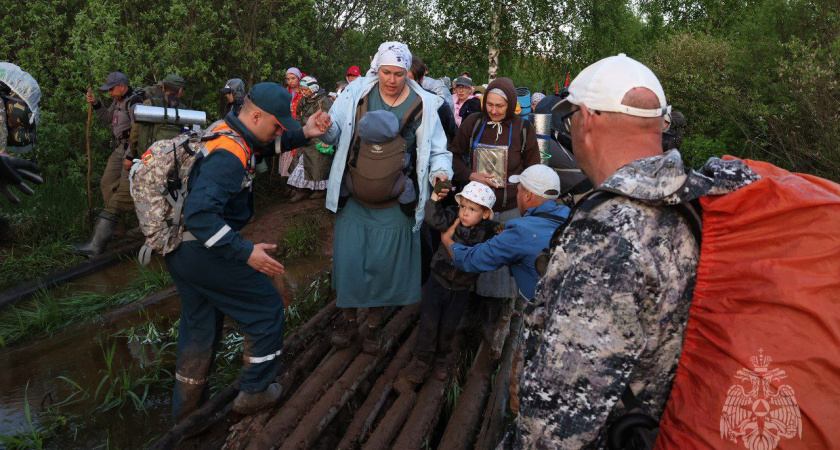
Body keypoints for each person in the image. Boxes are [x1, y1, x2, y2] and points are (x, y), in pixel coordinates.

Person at [515, 53, 759, 448]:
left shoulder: (609, 236)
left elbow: (556, 426)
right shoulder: (696, 196)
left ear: (588, 118)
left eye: (570, 116)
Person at [166, 82, 332, 422]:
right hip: (203, 247)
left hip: (179, 247)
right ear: (256, 115)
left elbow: (262, 147)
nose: (277, 131)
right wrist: (244, 252)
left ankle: (187, 412)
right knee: (265, 309)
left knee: (200, 326)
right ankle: (254, 391)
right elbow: (200, 215)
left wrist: (304, 133)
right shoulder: (229, 155)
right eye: (276, 124)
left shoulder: (227, 129)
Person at [321, 41, 452, 354]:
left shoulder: (426, 104)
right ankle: (350, 319)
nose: (392, 80)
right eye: (386, 72)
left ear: (408, 72)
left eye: (399, 73)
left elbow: (438, 150)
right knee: (351, 260)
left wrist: (441, 173)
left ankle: (373, 326)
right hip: (354, 194)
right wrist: (322, 130)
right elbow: (334, 131)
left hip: (397, 199)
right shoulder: (356, 93)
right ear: (376, 69)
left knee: (385, 264)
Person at [449, 76, 540, 322]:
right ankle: (469, 315)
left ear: (510, 104)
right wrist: (471, 174)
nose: (494, 110)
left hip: (509, 208)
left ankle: (500, 315)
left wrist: (518, 185)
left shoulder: (523, 129)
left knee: (502, 267)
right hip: (474, 210)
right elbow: (453, 157)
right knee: (473, 262)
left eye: (500, 106)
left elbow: (534, 169)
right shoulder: (473, 123)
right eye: (490, 104)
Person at [398, 181, 501, 386]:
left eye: (472, 209)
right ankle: (422, 362)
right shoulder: (452, 217)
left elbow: (501, 243)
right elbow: (433, 218)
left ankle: (440, 359)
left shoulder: (489, 231)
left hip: (461, 288)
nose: (464, 213)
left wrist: (501, 231)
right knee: (429, 321)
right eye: (463, 206)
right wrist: (435, 198)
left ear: (485, 214)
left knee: (449, 325)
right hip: (437, 281)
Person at [443, 165, 568, 302]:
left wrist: (448, 241)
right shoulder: (572, 216)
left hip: (548, 312)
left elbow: (472, 259)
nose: (517, 195)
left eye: (518, 190)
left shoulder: (521, 231)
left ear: (528, 195)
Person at [74, 72, 145, 257]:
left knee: (126, 190)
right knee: (106, 183)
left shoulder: (134, 102)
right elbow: (106, 118)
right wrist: (95, 104)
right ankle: (117, 229)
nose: (110, 93)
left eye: (112, 89)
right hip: (118, 150)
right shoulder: (118, 101)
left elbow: (138, 133)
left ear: (122, 86)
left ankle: (144, 227)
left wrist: (131, 156)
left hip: (130, 151)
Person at [286, 76, 333, 202]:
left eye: (306, 90)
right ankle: (299, 188)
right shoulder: (303, 101)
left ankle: (318, 190)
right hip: (306, 135)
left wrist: (324, 137)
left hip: (320, 137)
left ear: (313, 88)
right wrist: (301, 129)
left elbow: (330, 118)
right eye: (302, 90)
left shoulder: (324, 101)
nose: (304, 92)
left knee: (317, 165)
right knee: (300, 163)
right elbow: (298, 116)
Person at [408, 56, 457, 142]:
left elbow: (452, 134)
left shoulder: (437, 103)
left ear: (421, 78)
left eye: (410, 81)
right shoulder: (384, 99)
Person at [278, 68, 304, 180]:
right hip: (286, 128)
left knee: (298, 153)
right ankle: (287, 183)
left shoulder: (304, 92)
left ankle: (297, 185)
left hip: (300, 128)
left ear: (299, 78)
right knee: (287, 152)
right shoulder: (284, 93)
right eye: (288, 79)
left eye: (293, 78)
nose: (290, 81)